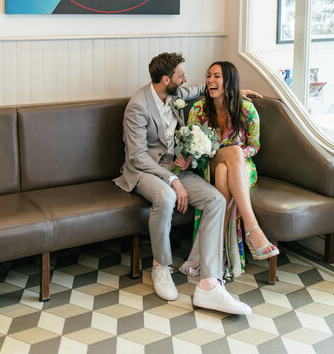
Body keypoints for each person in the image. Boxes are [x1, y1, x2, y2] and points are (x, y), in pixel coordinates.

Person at [115, 52, 258, 315]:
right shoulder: (138, 106)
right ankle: (160, 267)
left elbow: (205, 88)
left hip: (177, 168)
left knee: (215, 199)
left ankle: (209, 284)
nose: (186, 80)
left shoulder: (175, 93)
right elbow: (136, 156)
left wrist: (236, 90)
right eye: (181, 76)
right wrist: (170, 179)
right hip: (144, 171)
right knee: (167, 197)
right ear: (167, 79)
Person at [181, 60, 278, 280]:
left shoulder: (246, 109)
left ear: (229, 82)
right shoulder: (198, 110)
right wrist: (235, 152)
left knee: (228, 168)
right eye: (209, 76)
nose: (210, 80)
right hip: (210, 164)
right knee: (232, 152)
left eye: (217, 76)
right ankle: (254, 230)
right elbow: (194, 149)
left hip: (241, 168)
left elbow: (255, 145)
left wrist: (240, 155)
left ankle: (217, 255)